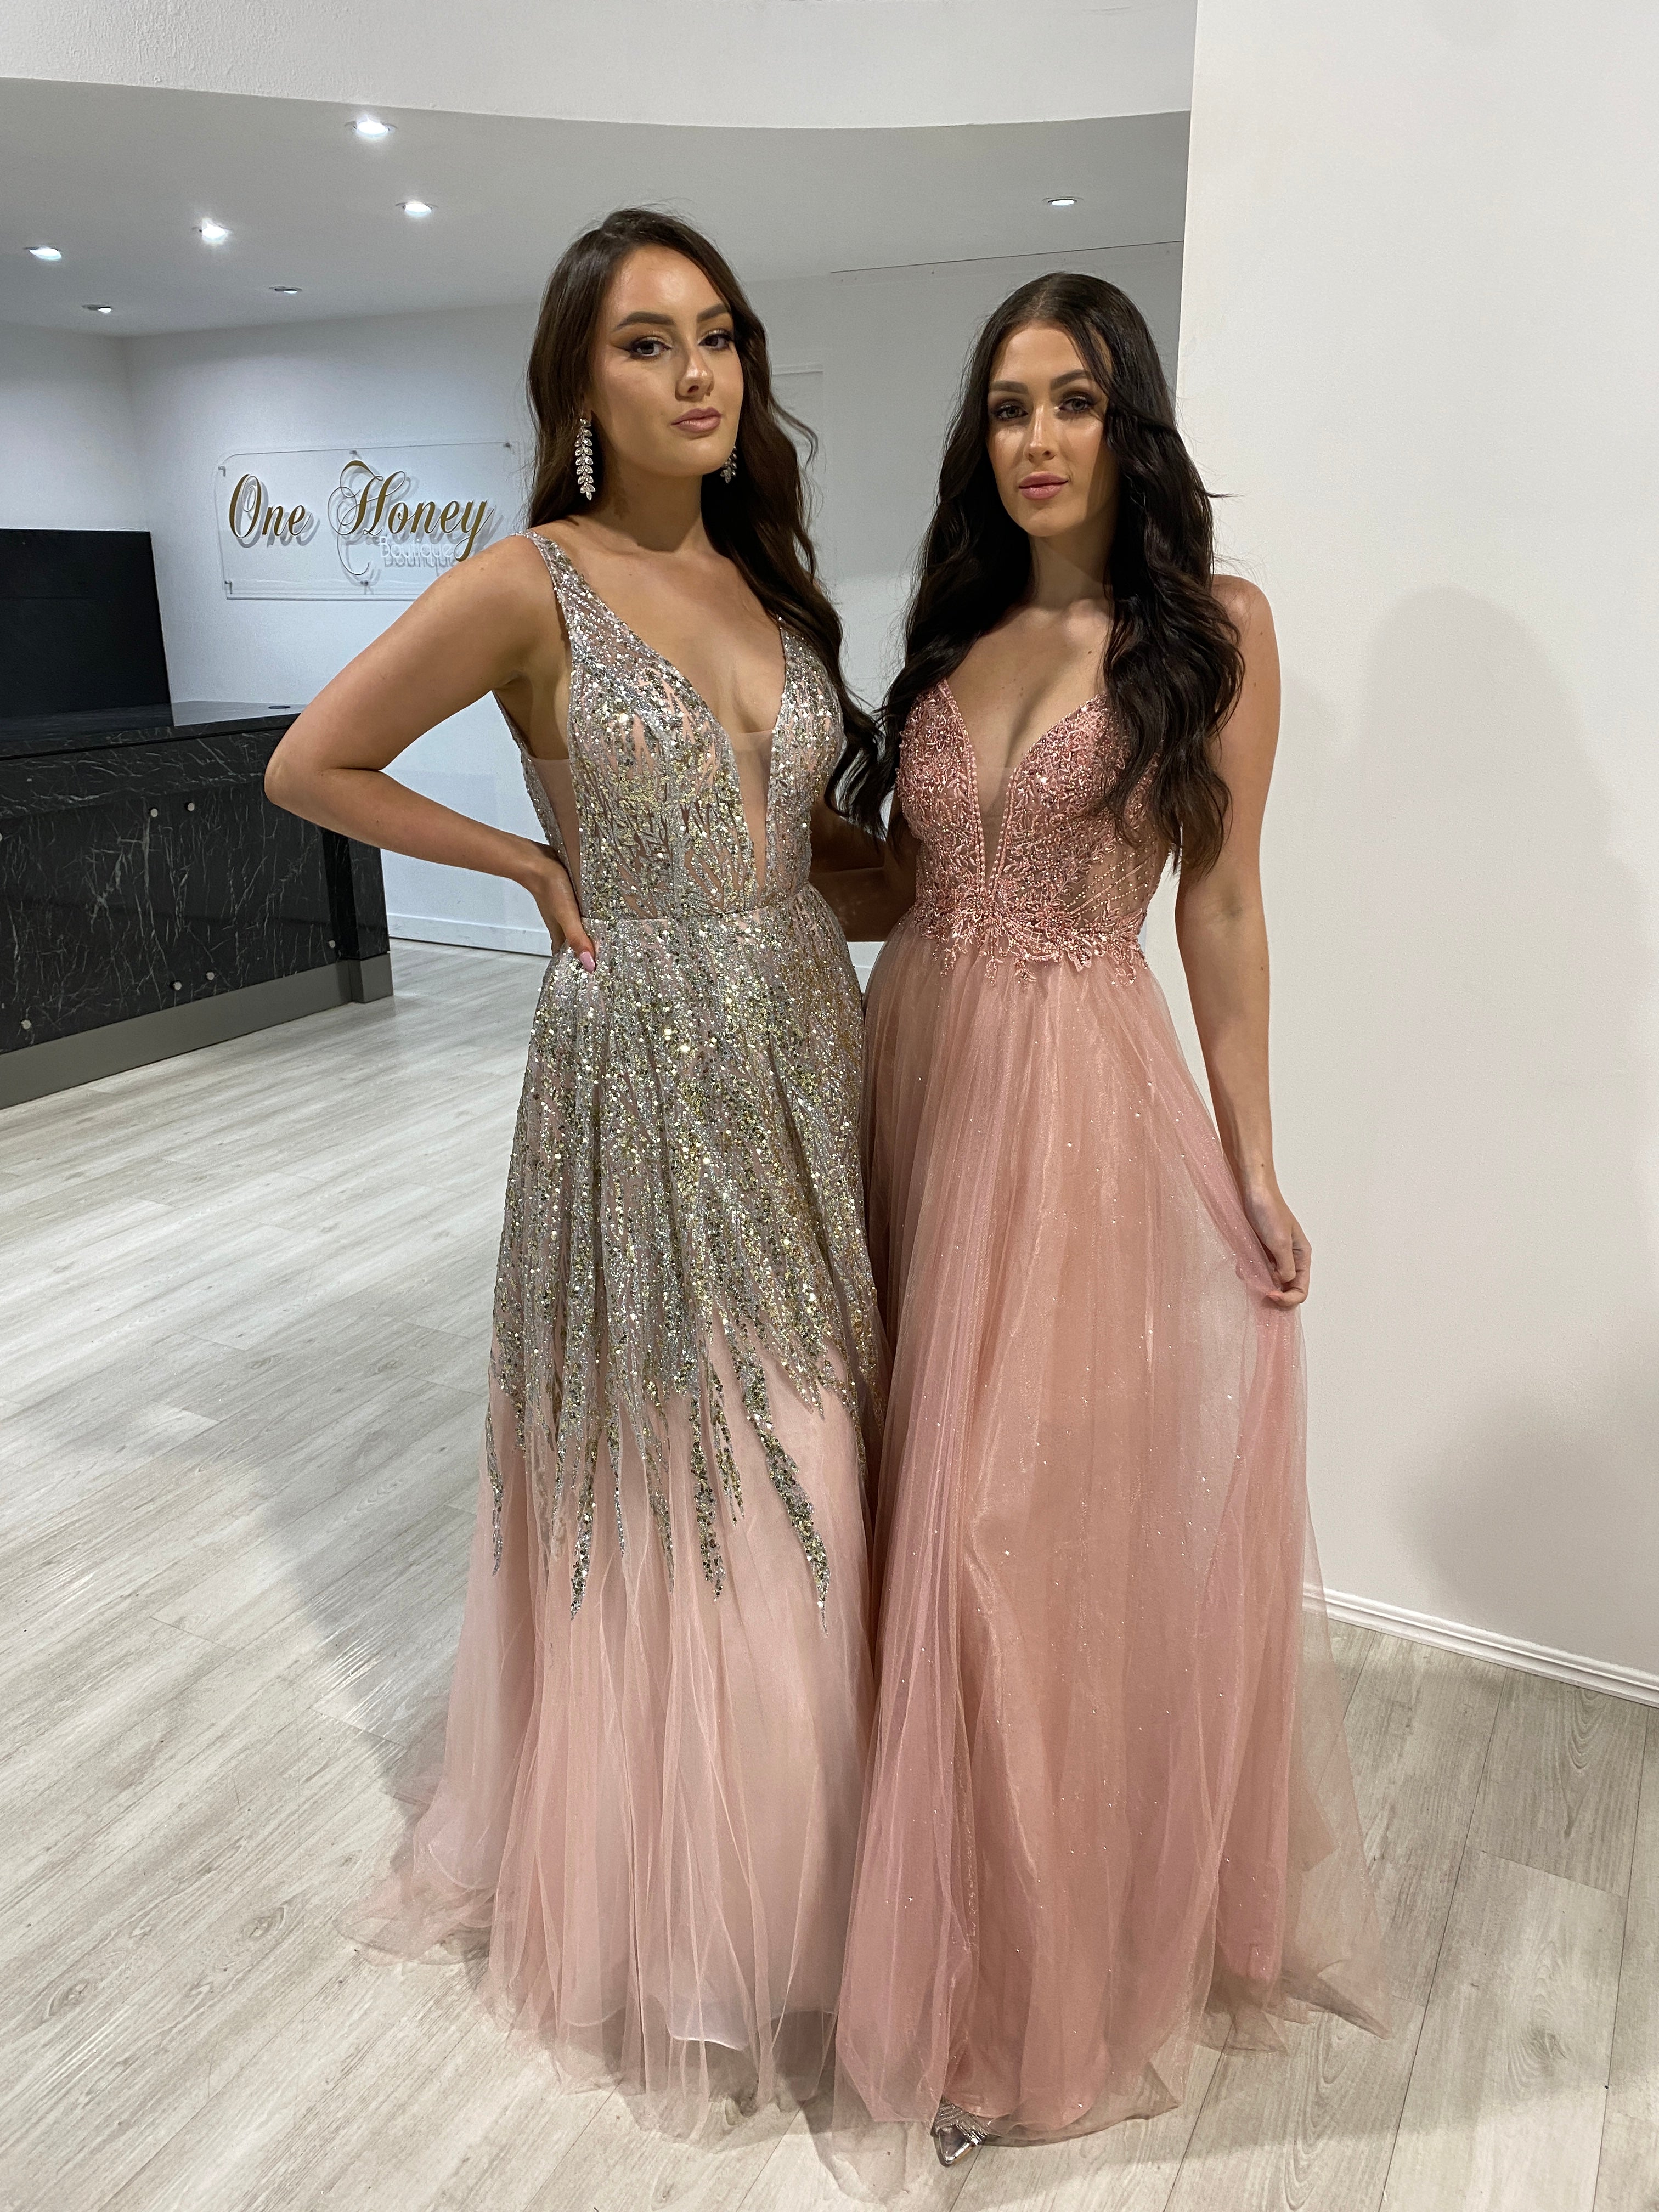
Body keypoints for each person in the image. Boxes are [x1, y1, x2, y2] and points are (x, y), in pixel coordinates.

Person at [264, 207, 887, 2129]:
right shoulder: (529, 582)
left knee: (837, 1443)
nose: (699, 371)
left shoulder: (779, 594)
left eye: (720, 334)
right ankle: (720, 1911)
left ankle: (863, 1875)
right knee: (716, 1475)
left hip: (803, 1045)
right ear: (579, 388)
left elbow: (819, 863)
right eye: (648, 343)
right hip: (640, 1081)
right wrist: (530, 867)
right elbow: (315, 761)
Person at [830, 273, 1389, 2163]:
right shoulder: (958, 630)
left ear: (1128, 422)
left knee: (1013, 1530)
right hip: (910, 1078)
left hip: (1074, 1104)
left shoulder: (1212, 631)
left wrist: (1251, 1151)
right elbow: (898, 879)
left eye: (1073, 399)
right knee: (905, 1507)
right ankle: (923, 1914)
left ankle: (1023, 1985)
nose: (1040, 435)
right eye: (1007, 406)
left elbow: (1221, 907)